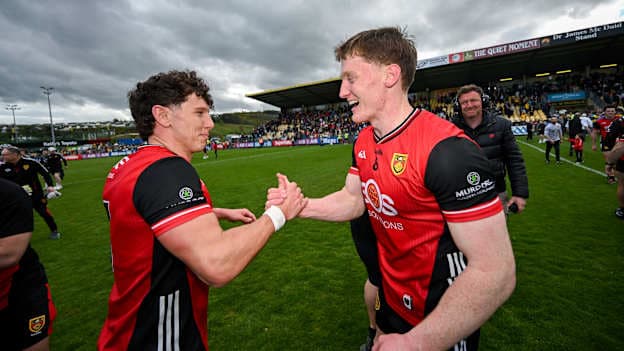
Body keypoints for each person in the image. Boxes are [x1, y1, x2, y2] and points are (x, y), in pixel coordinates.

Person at [268, 27, 515, 351]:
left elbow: (495, 270)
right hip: (392, 296)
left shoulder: (448, 151)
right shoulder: (364, 140)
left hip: (441, 307)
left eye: (351, 78)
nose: (342, 91)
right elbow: (355, 198)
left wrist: (418, 342)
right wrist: (301, 206)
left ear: (390, 75)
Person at [98, 70, 306, 350]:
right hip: (160, 337)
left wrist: (214, 212)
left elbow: (143, 218)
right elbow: (216, 265)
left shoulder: (131, 166)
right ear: (163, 116)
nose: (209, 123)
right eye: (199, 113)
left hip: (125, 330)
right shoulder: (167, 172)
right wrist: (278, 213)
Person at [453, 84, 529, 213]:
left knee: (497, 233)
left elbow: (514, 161)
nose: (469, 105)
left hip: (496, 193)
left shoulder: (501, 125)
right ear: (458, 106)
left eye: (473, 100)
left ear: (483, 101)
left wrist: (520, 193)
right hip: (462, 195)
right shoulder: (449, 128)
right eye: (464, 102)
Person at [0, 178, 57, 351]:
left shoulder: (9, 194)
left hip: (19, 290)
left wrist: (51, 184)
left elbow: (9, 254)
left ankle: (55, 230)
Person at [0, 146, 61, 240]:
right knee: (15, 218)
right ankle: (17, 238)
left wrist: (50, 186)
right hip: (15, 198)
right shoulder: (3, 166)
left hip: (35, 195)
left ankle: (54, 230)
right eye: (2, 154)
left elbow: (45, 173)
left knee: (44, 213)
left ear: (15, 154)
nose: (2, 156)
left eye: (5, 154)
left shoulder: (31, 162)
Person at [349, 212, 382, 351]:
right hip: (381, 214)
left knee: (376, 279)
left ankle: (374, 332)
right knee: (381, 280)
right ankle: (377, 337)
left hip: (362, 214)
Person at [592, 105, 618, 184]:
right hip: (606, 142)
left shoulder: (619, 120)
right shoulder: (599, 122)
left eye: (612, 111)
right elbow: (595, 133)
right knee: (609, 161)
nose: (610, 112)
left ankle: (614, 174)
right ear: (605, 112)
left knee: (617, 162)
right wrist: (594, 144)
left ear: (615, 112)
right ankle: (611, 177)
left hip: (619, 143)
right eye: (608, 111)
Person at [606, 116, 624, 219]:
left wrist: (609, 164)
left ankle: (623, 209)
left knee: (622, 183)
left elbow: (620, 147)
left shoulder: (620, 121)